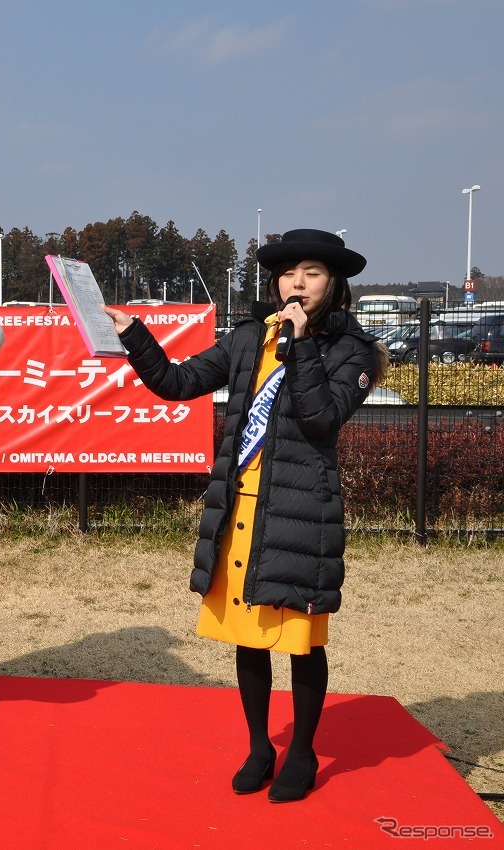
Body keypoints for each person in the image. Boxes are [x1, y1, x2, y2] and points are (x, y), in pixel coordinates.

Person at [103, 229, 388, 803]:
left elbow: (319, 421)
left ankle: (302, 751)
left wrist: (301, 344)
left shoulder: (350, 351)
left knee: (302, 639)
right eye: (288, 274)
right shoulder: (247, 339)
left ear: (334, 284)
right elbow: (175, 383)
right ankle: (259, 745)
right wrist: (133, 334)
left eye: (311, 272)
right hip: (241, 509)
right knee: (249, 635)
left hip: (300, 511)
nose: (297, 283)